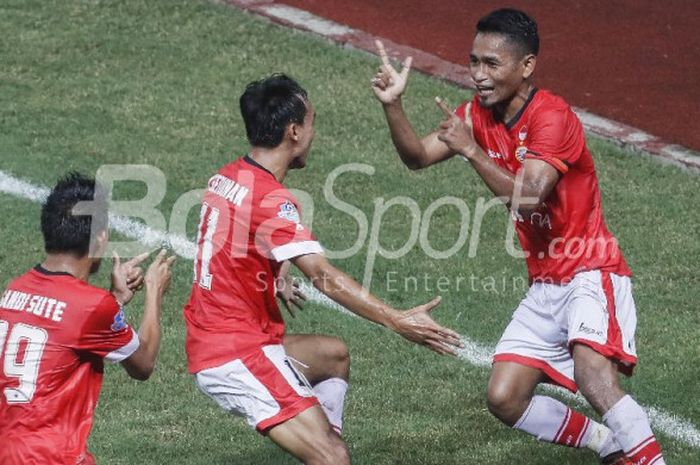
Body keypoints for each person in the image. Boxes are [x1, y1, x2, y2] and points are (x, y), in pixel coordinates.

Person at [371, 8, 665, 465]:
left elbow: (527, 199)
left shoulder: (553, 117)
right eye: (474, 62)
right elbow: (417, 157)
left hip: (590, 269)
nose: (478, 75)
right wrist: (393, 105)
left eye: (492, 64)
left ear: (525, 66)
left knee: (594, 378)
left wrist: (469, 149)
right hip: (546, 282)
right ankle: (610, 447)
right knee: (504, 397)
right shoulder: (477, 115)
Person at [183, 74, 463, 465]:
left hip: (218, 335)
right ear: (293, 130)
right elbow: (322, 275)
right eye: (312, 122)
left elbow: (233, 244)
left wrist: (275, 269)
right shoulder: (272, 198)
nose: (314, 133)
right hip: (234, 353)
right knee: (333, 456)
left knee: (332, 357)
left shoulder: (229, 176)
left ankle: (316, 440)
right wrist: (395, 319)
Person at [0, 173, 176, 465]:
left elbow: (67, 332)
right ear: (100, 238)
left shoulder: (14, 289)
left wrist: (116, 300)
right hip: (49, 457)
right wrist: (154, 291)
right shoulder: (90, 306)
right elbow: (143, 364)